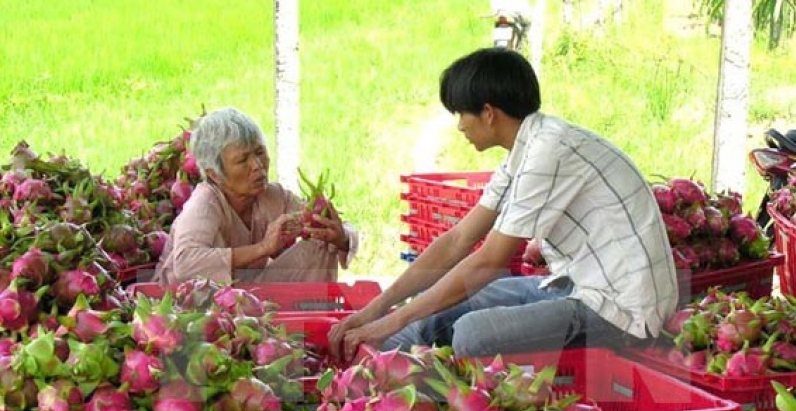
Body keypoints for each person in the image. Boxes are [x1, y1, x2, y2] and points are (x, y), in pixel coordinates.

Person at [329, 47, 677, 362]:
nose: (460, 126)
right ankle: (371, 369)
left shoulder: (549, 151)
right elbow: (458, 240)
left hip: (621, 310)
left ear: (488, 113)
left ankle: (433, 405)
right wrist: (373, 312)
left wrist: (392, 318)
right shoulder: (524, 151)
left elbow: (488, 260)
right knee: (462, 303)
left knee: (472, 333)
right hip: (578, 284)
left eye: (461, 114)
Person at [152, 107, 358, 285]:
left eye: (260, 152)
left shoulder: (273, 196)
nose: (258, 166)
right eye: (243, 160)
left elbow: (345, 229)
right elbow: (186, 263)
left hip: (247, 299)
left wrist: (340, 236)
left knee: (321, 240)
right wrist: (263, 248)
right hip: (190, 309)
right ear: (214, 174)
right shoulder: (204, 203)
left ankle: (312, 324)